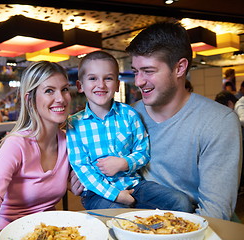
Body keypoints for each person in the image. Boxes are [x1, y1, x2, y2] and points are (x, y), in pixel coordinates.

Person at [126, 21, 242, 220]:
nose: (138, 82)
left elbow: (215, 213)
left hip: (193, 225)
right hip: (137, 220)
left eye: (149, 71)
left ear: (180, 68)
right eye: (136, 72)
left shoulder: (218, 122)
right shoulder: (128, 116)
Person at [66, 51, 193, 212]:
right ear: (80, 86)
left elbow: (143, 151)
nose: (101, 85)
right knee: (121, 218)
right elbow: (83, 168)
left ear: (117, 85)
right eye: (92, 78)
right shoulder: (73, 124)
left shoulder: (129, 115)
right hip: (98, 193)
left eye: (108, 78)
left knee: (180, 202)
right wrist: (116, 195)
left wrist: (124, 163)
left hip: (134, 185)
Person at [0, 61, 78, 239]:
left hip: (48, 231)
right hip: (6, 232)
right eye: (49, 90)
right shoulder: (16, 144)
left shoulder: (69, 140)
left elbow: (80, 183)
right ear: (30, 99)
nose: (61, 98)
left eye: (65, 89)